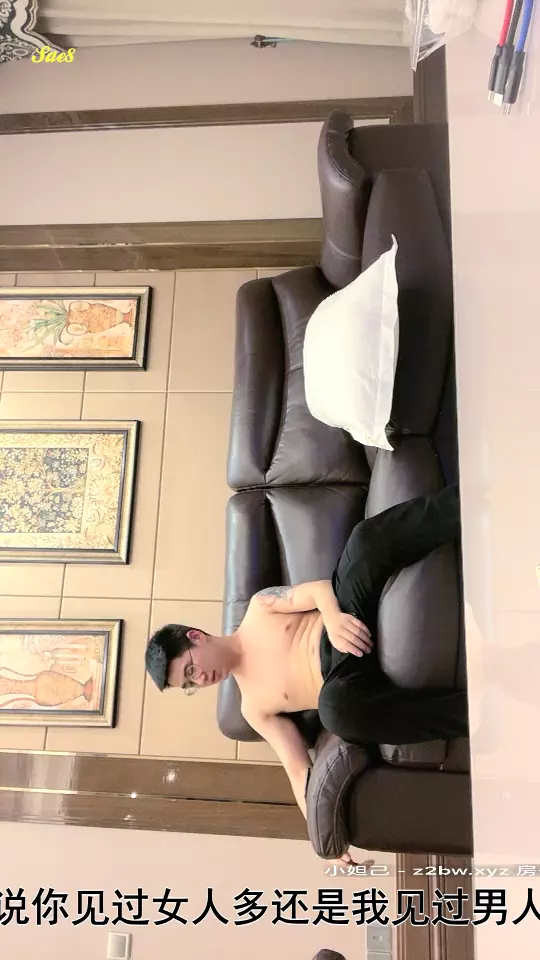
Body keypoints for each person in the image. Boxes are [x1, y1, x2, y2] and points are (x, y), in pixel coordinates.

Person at [146, 485, 469, 868]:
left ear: (195, 637)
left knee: (364, 540)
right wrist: (324, 839)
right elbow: (298, 769)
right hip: (345, 680)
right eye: (189, 684)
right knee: (336, 712)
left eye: (190, 668)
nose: (200, 679)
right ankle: (473, 711)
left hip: (344, 618)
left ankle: (474, 499)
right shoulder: (253, 708)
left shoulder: (260, 608)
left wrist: (333, 619)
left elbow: (317, 591)